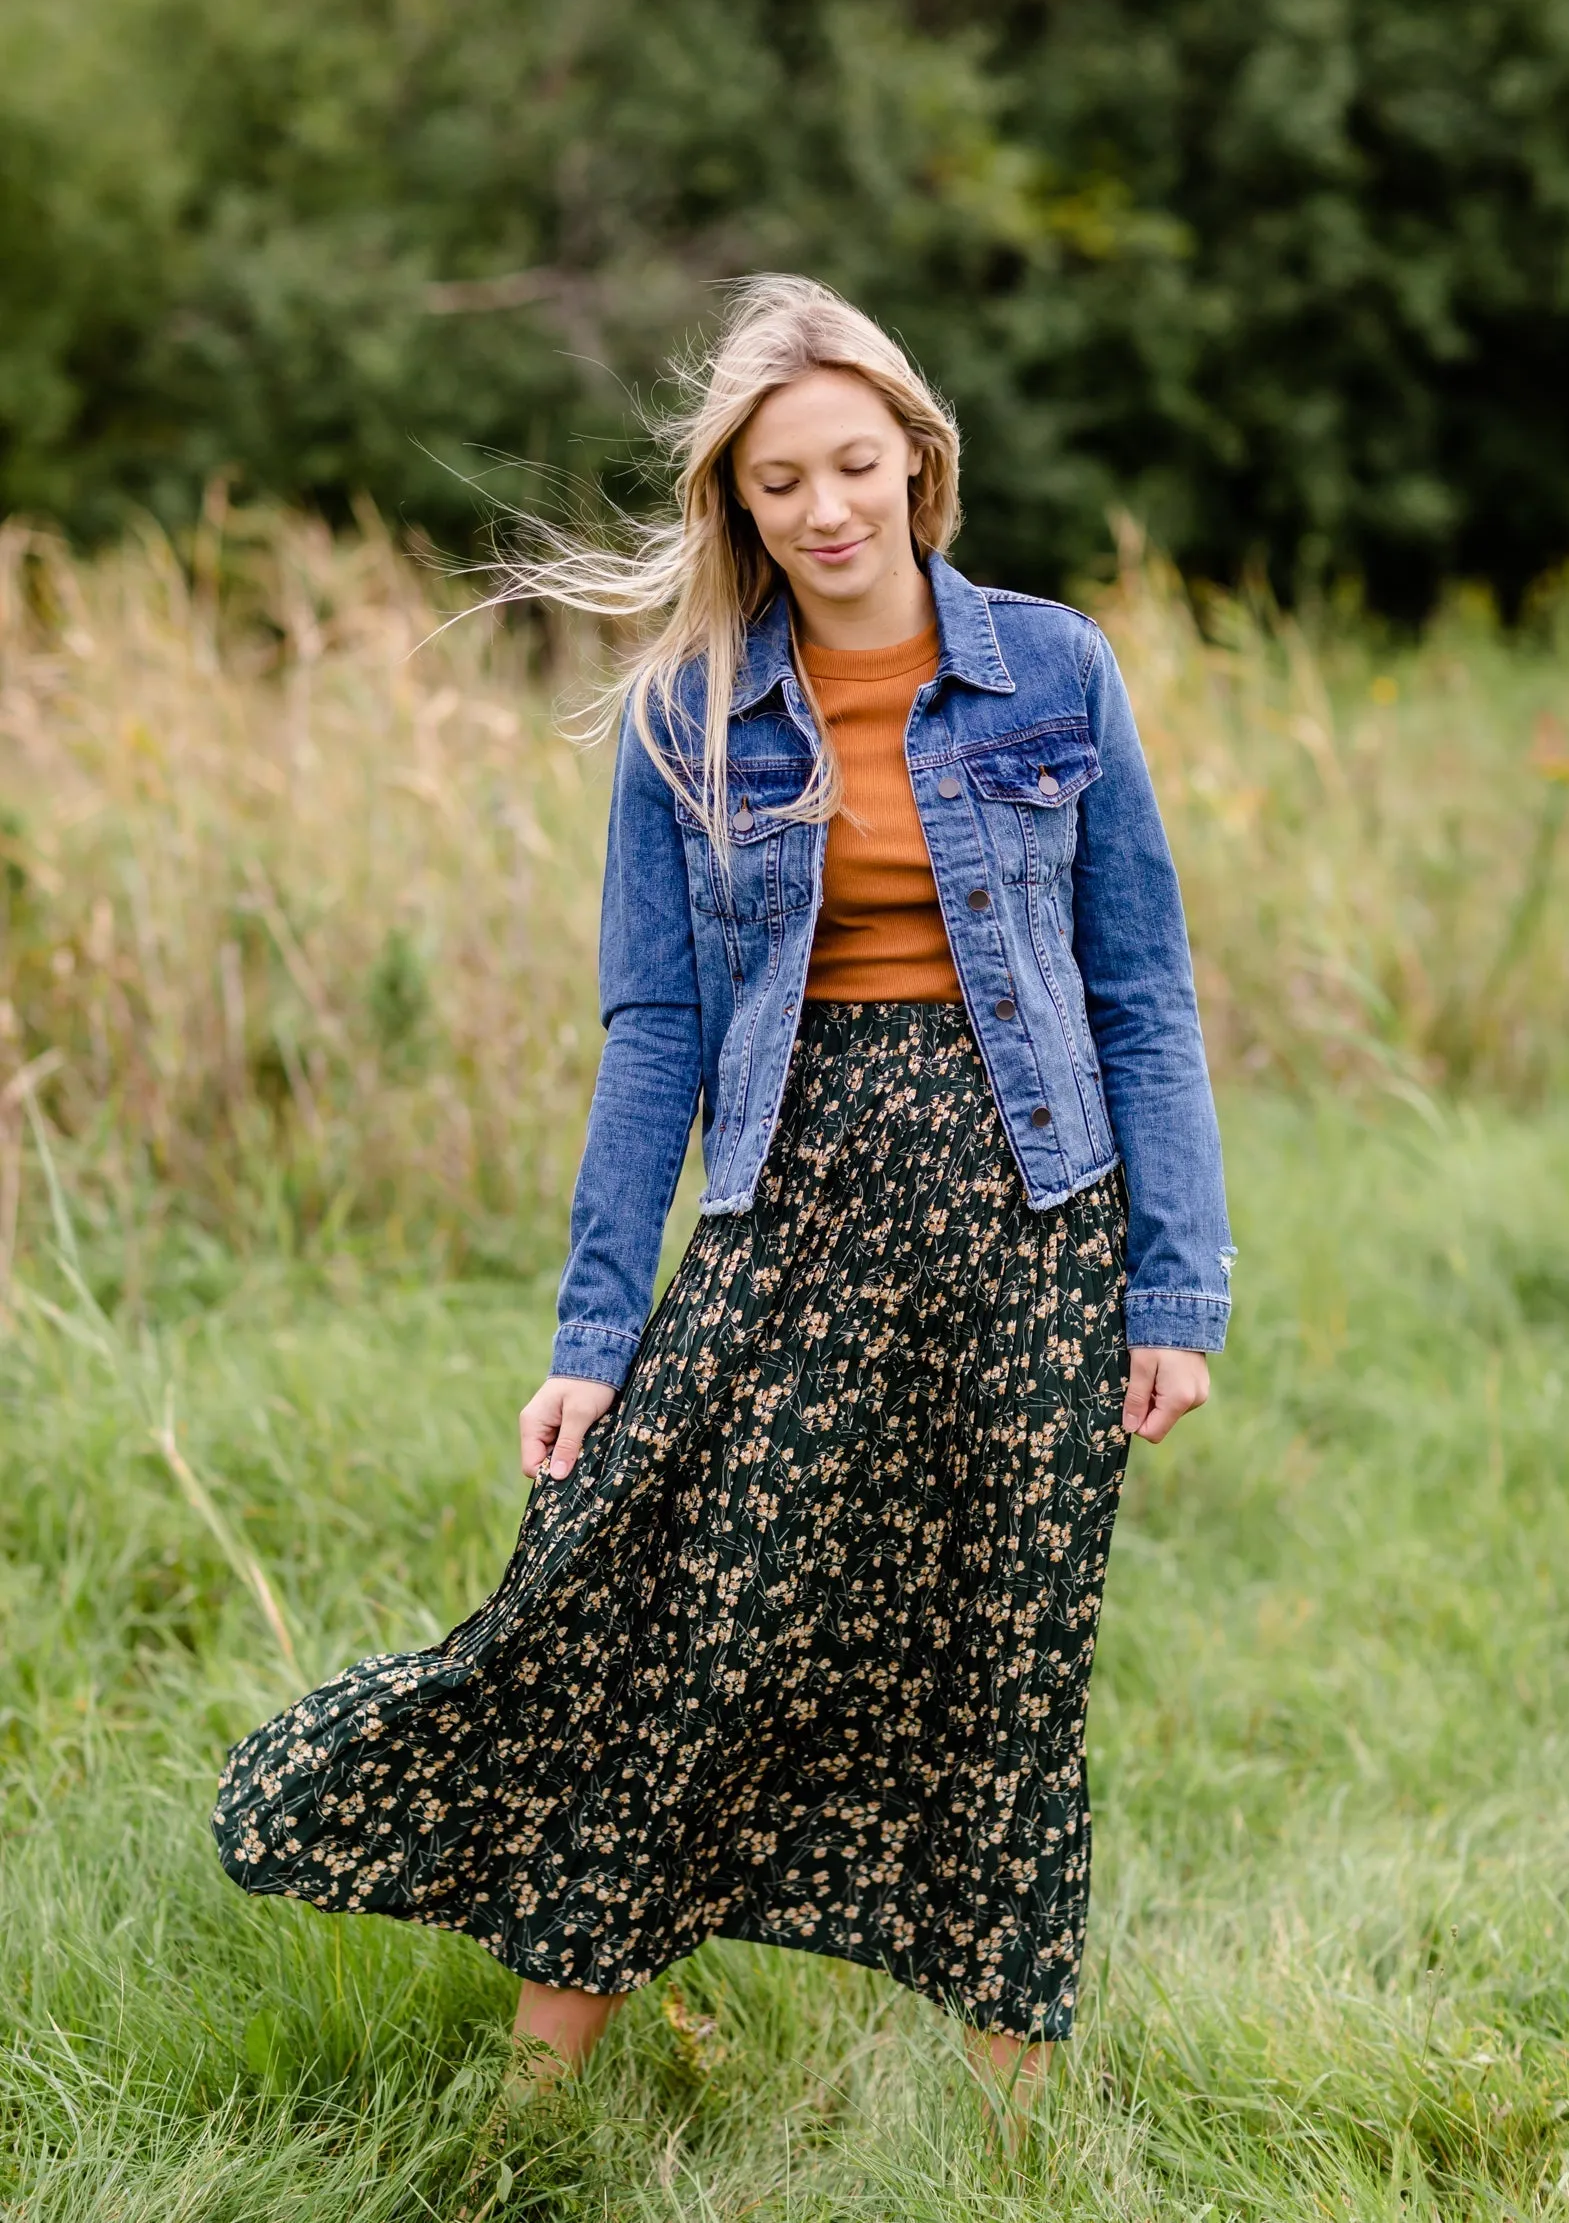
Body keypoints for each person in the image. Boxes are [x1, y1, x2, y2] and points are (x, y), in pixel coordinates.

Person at [213, 275, 1234, 2099]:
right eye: (781, 481)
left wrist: (1172, 1297)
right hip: (798, 1223)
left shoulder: (1055, 666)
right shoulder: (689, 713)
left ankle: (1014, 2139)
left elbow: (1141, 990)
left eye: (854, 463)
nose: (825, 509)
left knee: (1003, 1662)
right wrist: (592, 1336)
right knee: (682, 1621)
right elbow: (653, 1033)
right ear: (736, 503)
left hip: (1031, 1228)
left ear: (918, 461)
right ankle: (530, 2103)